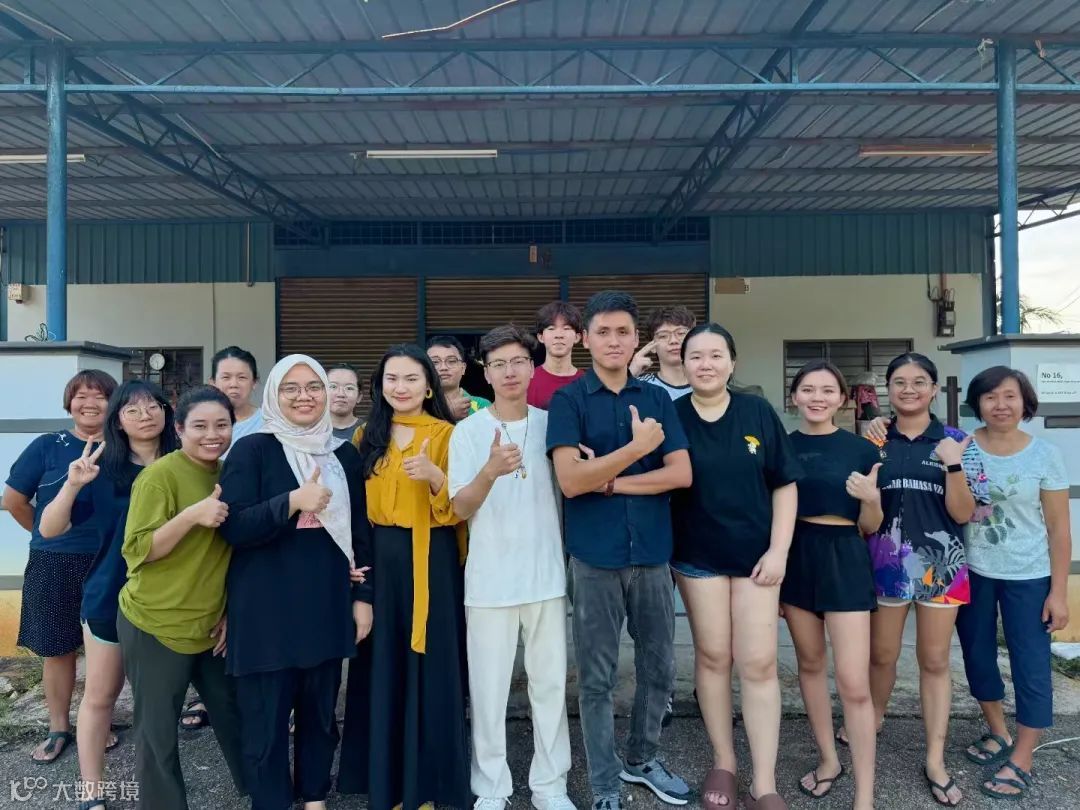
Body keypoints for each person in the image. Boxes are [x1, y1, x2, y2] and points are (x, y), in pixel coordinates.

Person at [546, 290, 693, 810]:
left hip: (652, 552)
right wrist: (637, 450)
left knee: (659, 667)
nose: (614, 341)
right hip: (594, 557)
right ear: (585, 339)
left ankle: (642, 759)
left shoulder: (656, 400)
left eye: (623, 332)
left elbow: (680, 473)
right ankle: (605, 783)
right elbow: (569, 481)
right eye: (603, 332)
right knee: (597, 677)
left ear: (636, 340)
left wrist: (606, 478)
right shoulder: (569, 401)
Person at [218, 355, 374, 810]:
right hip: (265, 609)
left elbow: (359, 533)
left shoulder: (343, 455)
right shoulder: (252, 450)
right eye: (291, 388)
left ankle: (314, 797)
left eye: (313, 387)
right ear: (274, 395)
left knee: (320, 715)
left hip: (325, 602)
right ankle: (270, 800)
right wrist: (292, 501)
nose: (304, 396)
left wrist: (364, 597)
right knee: (264, 722)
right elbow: (235, 528)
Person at [667, 324, 800, 810]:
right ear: (683, 364)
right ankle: (723, 761)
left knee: (759, 662)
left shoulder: (756, 411)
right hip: (697, 556)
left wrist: (779, 551)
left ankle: (765, 782)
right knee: (713, 656)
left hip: (756, 558)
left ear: (732, 362)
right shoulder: (672, 415)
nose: (706, 364)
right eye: (696, 356)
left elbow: (784, 483)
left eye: (716, 355)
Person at [339, 344, 470, 810]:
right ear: (380, 386)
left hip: (432, 560)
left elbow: (463, 510)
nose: (401, 387)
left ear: (429, 386)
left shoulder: (449, 435)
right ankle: (388, 785)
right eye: (391, 378)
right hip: (380, 558)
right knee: (383, 666)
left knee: (432, 668)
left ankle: (429, 787)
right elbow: (354, 508)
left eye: (411, 378)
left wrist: (436, 477)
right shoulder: (365, 437)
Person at [450, 325, 575, 810]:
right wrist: (489, 471)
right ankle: (491, 787)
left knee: (550, 687)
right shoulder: (467, 432)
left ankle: (551, 785)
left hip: (546, 576)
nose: (509, 372)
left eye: (518, 361)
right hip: (488, 580)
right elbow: (459, 507)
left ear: (532, 366)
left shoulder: (552, 424)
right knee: (488, 691)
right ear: (485, 372)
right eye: (498, 364)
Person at [38, 380, 176, 808]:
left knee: (162, 703)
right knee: (100, 696)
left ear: (167, 412)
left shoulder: (186, 463)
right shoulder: (99, 469)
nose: (144, 415)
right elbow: (49, 528)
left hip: (176, 598)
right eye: (132, 410)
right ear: (117, 420)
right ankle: (91, 792)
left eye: (152, 406)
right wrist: (73, 484)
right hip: (110, 595)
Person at [860, 353, 987, 808]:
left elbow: (964, 514)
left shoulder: (958, 441)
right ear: (888, 389)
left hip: (942, 568)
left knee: (934, 661)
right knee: (881, 655)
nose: (909, 389)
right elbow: (863, 511)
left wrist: (953, 464)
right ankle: (872, 722)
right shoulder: (874, 440)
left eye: (919, 382)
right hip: (885, 564)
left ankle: (934, 757)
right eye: (899, 381)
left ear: (934, 389)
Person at [117, 385, 246, 810]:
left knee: (238, 715)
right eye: (200, 426)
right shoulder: (159, 477)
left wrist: (230, 610)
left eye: (222, 425)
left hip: (210, 625)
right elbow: (139, 550)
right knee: (157, 734)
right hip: (156, 623)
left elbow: (237, 552)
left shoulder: (230, 473)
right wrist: (191, 515)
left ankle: (264, 792)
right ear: (179, 429)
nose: (212, 435)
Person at [954, 366, 1071, 800]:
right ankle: (998, 730)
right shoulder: (961, 447)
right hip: (973, 572)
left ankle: (1022, 756)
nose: (1000, 405)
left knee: (1031, 664)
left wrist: (1058, 592)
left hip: (1029, 575)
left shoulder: (1044, 455)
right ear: (977, 403)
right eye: (990, 397)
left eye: (1009, 396)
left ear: (1025, 403)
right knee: (977, 656)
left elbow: (1059, 529)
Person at [3, 369, 117, 764]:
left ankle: (98, 721)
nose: (90, 403)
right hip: (54, 561)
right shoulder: (47, 446)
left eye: (100, 396)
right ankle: (58, 727)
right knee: (57, 648)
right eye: (81, 395)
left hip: (109, 561)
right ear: (69, 403)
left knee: (106, 648)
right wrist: (47, 533)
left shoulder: (124, 448)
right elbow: (14, 500)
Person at [781, 361, 881, 810]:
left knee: (854, 683)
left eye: (827, 390)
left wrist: (871, 500)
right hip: (796, 555)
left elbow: (871, 525)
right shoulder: (781, 446)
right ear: (794, 397)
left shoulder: (862, 450)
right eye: (808, 389)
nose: (817, 397)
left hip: (845, 555)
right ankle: (828, 759)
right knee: (810, 664)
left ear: (842, 399)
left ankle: (865, 796)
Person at [528, 301, 585, 409]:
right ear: (541, 337)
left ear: (577, 337)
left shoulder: (587, 384)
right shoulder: (527, 381)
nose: (559, 335)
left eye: (566, 328)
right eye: (551, 328)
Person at [629, 306, 695, 399]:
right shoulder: (641, 386)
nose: (673, 340)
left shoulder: (708, 383)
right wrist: (630, 375)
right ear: (652, 347)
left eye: (681, 333)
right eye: (663, 336)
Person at [210, 345, 263, 450]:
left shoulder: (267, 424)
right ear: (213, 383)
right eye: (226, 377)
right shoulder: (201, 422)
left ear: (254, 382)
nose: (234, 384)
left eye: (242, 377)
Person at [428, 335, 492, 421]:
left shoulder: (481, 406)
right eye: (435, 362)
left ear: (463, 368)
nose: (443, 367)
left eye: (451, 361)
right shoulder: (417, 405)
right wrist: (449, 414)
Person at [327, 362, 364, 441]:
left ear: (359, 397)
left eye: (349, 388)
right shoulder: (309, 431)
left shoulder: (370, 431)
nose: (341, 394)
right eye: (333, 386)